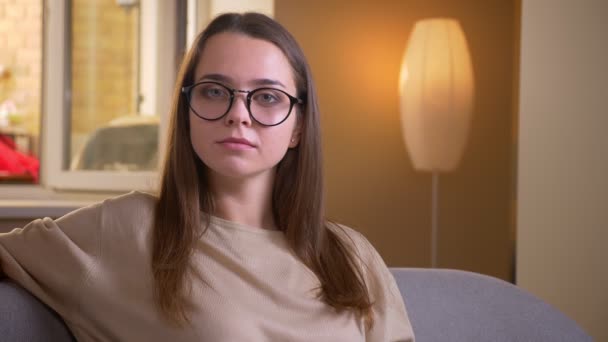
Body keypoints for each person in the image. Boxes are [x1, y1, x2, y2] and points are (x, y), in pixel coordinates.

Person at [0, 12, 414, 341]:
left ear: (299, 126)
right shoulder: (127, 230)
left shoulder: (352, 256)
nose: (238, 113)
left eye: (267, 97)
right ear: (187, 110)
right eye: (215, 91)